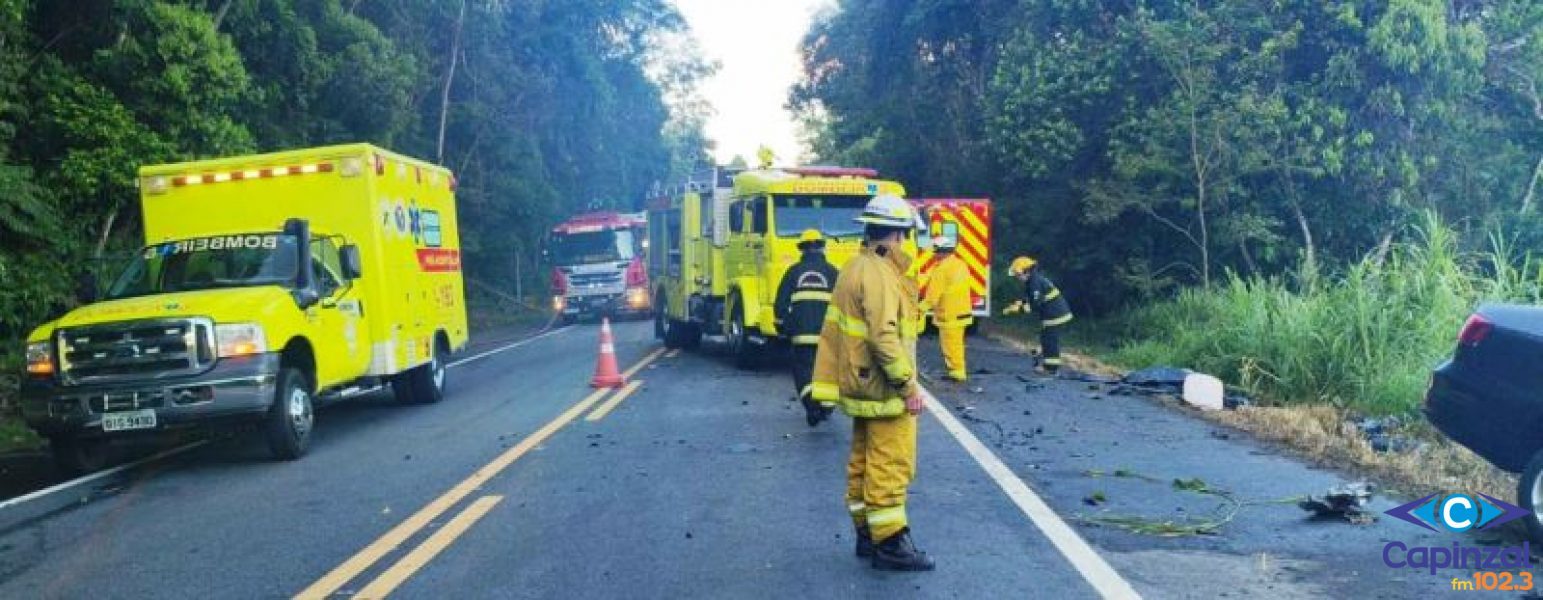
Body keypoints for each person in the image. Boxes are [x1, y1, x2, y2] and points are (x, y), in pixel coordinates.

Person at [810, 194, 935, 572]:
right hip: (883, 387)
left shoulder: (854, 266)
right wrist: (908, 387)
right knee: (890, 462)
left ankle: (868, 534)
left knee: (863, 461)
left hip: (861, 383)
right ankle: (891, 543)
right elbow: (884, 337)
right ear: (897, 234)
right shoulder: (881, 274)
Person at [775, 229, 839, 427]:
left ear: (801, 249)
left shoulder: (793, 272)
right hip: (828, 336)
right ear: (822, 247)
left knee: (804, 372)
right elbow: (846, 303)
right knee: (827, 373)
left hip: (801, 335)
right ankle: (827, 407)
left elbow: (780, 304)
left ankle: (812, 407)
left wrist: (784, 327)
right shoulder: (833, 272)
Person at [1004, 256, 1073, 374]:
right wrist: (1019, 304)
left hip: (1055, 315)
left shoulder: (1035, 283)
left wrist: (1019, 309)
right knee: (1046, 338)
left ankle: (1051, 368)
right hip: (1052, 315)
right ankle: (1044, 357)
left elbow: (1035, 305)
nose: (1017, 277)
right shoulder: (1032, 281)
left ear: (1026, 271)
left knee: (1050, 340)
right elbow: (1030, 299)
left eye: (1018, 274)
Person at [921, 236, 973, 382]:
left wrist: (919, 309)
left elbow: (932, 296)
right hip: (962, 311)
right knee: (956, 343)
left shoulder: (942, 269)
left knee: (950, 345)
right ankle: (957, 370)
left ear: (941, 251)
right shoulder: (960, 264)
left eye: (936, 251)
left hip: (949, 313)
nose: (934, 254)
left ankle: (957, 373)